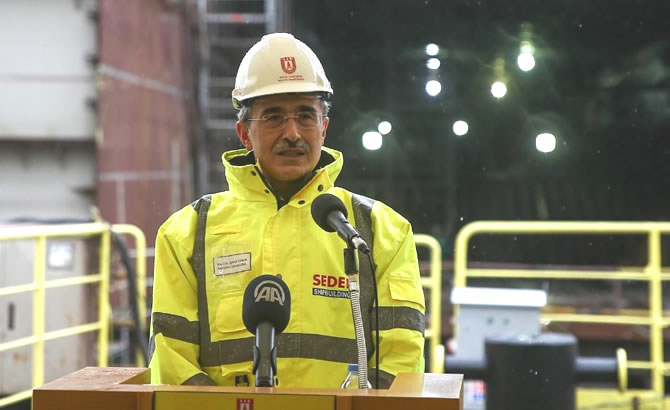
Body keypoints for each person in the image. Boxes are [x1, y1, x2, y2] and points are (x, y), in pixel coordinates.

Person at [149, 33, 425, 389]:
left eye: (306, 116)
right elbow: (172, 364)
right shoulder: (186, 234)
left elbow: (403, 363)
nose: (292, 133)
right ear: (244, 134)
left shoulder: (381, 232)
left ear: (324, 128)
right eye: (274, 117)